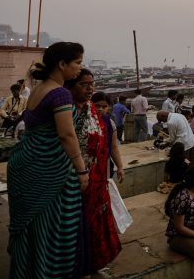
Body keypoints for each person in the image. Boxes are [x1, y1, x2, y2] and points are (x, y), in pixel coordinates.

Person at [7, 42, 88, 278]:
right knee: (48, 230)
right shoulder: (60, 93)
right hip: (46, 173)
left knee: (30, 231)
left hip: (26, 164)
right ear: (62, 64)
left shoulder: (39, 89)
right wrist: (82, 171)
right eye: (77, 64)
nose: (79, 69)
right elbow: (66, 134)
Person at [66, 69, 123, 272]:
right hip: (71, 178)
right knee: (73, 226)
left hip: (96, 180)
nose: (90, 88)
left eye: (92, 83)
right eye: (84, 83)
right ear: (71, 85)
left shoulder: (96, 115)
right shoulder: (65, 110)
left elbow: (110, 147)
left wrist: (119, 167)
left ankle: (92, 262)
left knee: (93, 223)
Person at [92, 92, 126, 184]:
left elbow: (113, 147)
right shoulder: (85, 122)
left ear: (108, 107)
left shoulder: (110, 123)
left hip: (104, 166)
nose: (100, 109)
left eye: (104, 107)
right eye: (97, 106)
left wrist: (120, 167)